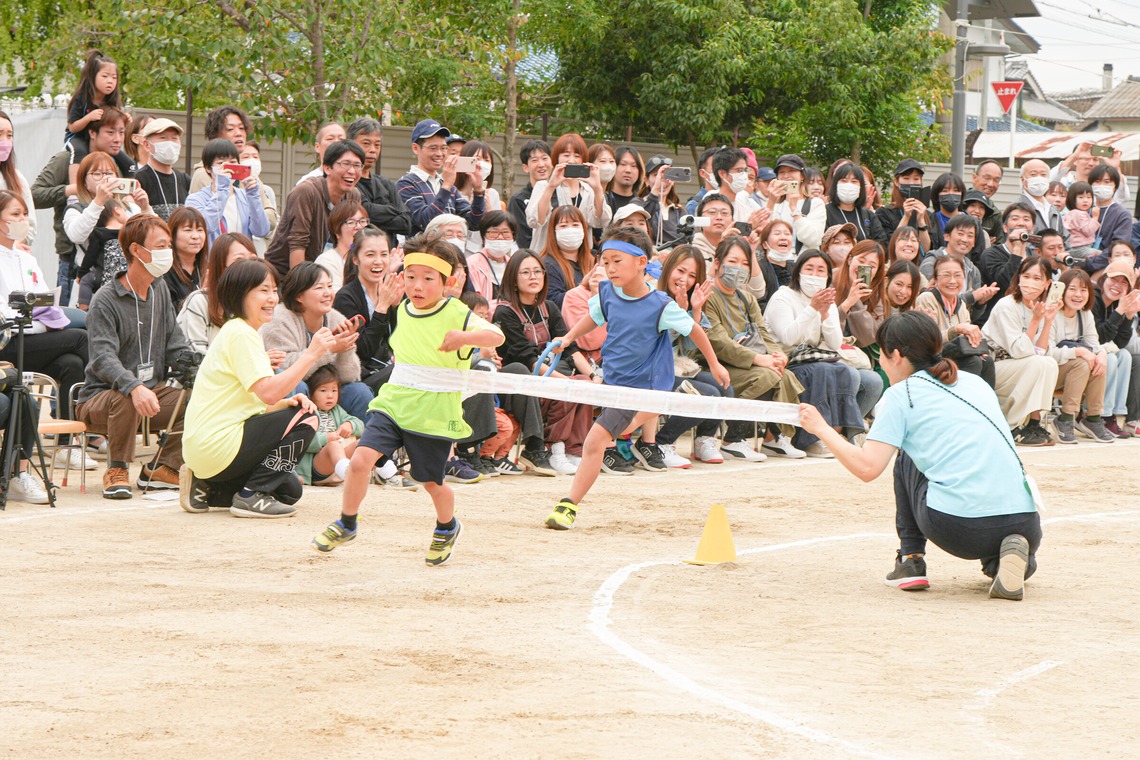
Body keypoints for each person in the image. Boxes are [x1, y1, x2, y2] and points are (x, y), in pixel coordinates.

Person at [800, 311, 1042, 600]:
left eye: (882, 355)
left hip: (961, 527)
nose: (880, 362)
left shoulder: (902, 394)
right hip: (1026, 521)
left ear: (897, 356)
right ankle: (1010, 561)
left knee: (906, 457)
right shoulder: (974, 382)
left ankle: (910, 560)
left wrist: (821, 428)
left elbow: (867, 468)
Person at [310, 237, 505, 564]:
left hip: (433, 412)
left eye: (428, 278)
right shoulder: (401, 309)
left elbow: (496, 336)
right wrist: (384, 306)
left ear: (449, 283)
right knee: (360, 461)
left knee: (429, 481)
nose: (417, 285)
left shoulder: (456, 312)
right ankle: (347, 522)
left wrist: (465, 338)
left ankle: (447, 525)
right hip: (395, 403)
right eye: (411, 276)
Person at [542, 227, 730, 530]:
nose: (609, 268)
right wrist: (568, 337)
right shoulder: (607, 293)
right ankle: (656, 410)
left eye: (617, 261)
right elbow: (596, 316)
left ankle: (568, 505)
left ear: (642, 262)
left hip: (643, 386)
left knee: (595, 442)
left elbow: (695, 330)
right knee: (615, 433)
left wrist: (715, 364)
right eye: (605, 262)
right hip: (613, 382)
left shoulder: (661, 305)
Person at [180, 259, 333, 518]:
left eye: (274, 290)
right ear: (241, 294)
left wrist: (287, 403)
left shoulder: (239, 332)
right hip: (219, 445)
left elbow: (255, 403)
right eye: (263, 290)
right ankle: (251, 496)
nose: (272, 298)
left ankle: (208, 487)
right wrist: (311, 354)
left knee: (289, 491)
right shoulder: (241, 333)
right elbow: (269, 392)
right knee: (307, 418)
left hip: (209, 450)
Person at [77, 213, 193, 499]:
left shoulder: (160, 289)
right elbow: (103, 358)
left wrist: (196, 368)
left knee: (196, 397)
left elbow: (175, 346)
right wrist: (134, 386)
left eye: (169, 245)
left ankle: (162, 467)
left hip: (151, 393)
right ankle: (116, 468)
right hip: (100, 399)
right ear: (137, 250)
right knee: (127, 393)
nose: (168, 252)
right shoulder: (105, 299)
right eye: (161, 245)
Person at [0, 190, 92, 473]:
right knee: (81, 338)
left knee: (71, 363)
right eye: (15, 215)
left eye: (25, 214)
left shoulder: (26, 258)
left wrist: (42, 319)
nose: (22, 220)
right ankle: (96, 409)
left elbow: (44, 301)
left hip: (35, 336)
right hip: (9, 343)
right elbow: (7, 316)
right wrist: (40, 320)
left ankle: (66, 445)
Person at [699, 237, 805, 461]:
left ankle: (773, 438)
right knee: (766, 376)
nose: (738, 268)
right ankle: (733, 439)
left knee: (784, 375)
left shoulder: (746, 298)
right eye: (732, 261)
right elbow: (718, 340)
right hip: (716, 363)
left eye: (745, 263)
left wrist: (778, 355)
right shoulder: (708, 295)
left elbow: (764, 333)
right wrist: (759, 360)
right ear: (717, 263)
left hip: (750, 361)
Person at [493, 249, 596, 475]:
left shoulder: (549, 307)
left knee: (584, 385)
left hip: (549, 377)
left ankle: (573, 450)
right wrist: (566, 382)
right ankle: (552, 448)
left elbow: (571, 348)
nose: (533, 277)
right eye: (526, 272)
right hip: (521, 387)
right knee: (567, 387)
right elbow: (528, 359)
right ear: (513, 278)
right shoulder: (505, 312)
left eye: (537, 272)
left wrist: (592, 376)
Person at [763, 250, 865, 457]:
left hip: (813, 359)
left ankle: (836, 434)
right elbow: (788, 338)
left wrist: (826, 314)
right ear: (798, 272)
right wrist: (812, 309)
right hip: (784, 360)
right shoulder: (783, 296)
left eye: (821, 270)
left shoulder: (827, 299)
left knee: (845, 371)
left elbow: (836, 342)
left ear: (828, 276)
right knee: (822, 371)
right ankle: (809, 439)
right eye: (809, 268)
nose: (814, 274)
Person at [33, 107, 131, 305]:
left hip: (116, 263)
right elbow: (34, 195)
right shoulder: (67, 158)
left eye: (121, 132)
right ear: (92, 133)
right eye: (110, 132)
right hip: (73, 255)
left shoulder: (119, 163)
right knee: (70, 315)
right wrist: (74, 189)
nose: (117, 139)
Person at [260, 262, 374, 420]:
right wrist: (329, 350)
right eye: (319, 288)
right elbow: (284, 370)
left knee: (360, 392)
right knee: (298, 387)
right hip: (291, 393)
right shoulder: (278, 321)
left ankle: (363, 444)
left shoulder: (336, 318)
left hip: (326, 393)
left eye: (329, 286)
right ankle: (304, 441)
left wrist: (345, 349)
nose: (328, 293)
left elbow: (350, 377)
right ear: (299, 295)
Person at [980, 256, 1060, 446]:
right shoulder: (1006, 305)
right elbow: (1019, 350)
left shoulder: (1042, 307)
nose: (1030, 282)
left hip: (1019, 366)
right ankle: (1012, 426)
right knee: (1038, 363)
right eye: (1026, 276)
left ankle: (1033, 423)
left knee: (1048, 363)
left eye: (1037, 278)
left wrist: (1047, 320)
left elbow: (1041, 352)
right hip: (993, 367)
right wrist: (1035, 321)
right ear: (1019, 278)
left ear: (1047, 283)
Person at [264, 140, 364, 277]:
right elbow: (297, 244)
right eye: (345, 164)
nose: (352, 171)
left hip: (328, 273)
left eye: (357, 165)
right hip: (285, 276)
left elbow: (354, 240)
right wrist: (302, 287)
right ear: (327, 168)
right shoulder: (306, 192)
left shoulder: (353, 195)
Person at [1047, 268, 1113, 444]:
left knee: (1098, 362)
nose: (1078, 294)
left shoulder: (1085, 314)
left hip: (1075, 372)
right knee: (1082, 362)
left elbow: (1095, 344)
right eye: (1073, 289)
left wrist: (1102, 355)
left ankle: (1093, 418)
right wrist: (1077, 351)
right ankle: (1066, 418)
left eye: (1083, 290)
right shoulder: (1052, 312)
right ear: (1062, 290)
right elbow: (1047, 352)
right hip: (1051, 371)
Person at [914, 256, 996, 387]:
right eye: (946, 275)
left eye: (958, 275)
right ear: (935, 279)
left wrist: (976, 347)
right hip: (932, 359)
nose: (952, 281)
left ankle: (984, 405)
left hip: (955, 355)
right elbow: (928, 343)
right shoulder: (927, 299)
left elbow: (967, 339)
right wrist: (956, 330)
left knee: (987, 361)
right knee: (973, 362)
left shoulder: (961, 304)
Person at [396, 119, 486, 235]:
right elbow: (425, 222)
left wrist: (478, 191)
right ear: (416, 148)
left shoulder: (447, 186)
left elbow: (475, 224)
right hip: (423, 252)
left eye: (443, 148)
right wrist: (446, 186)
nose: (439, 154)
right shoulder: (406, 184)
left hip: (451, 251)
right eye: (433, 148)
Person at [525, 132, 611, 251]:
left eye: (577, 155)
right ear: (557, 158)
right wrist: (551, 187)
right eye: (566, 155)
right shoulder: (543, 186)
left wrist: (597, 188)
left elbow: (601, 221)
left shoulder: (588, 190)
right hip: (547, 256)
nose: (571, 160)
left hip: (580, 260)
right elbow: (534, 221)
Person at [177, 232, 257, 355]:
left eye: (253, 260)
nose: (248, 266)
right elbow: (195, 359)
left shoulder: (254, 304)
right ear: (221, 266)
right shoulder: (199, 302)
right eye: (239, 260)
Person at [184, 138, 270, 247]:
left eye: (233, 162)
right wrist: (222, 189)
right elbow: (207, 227)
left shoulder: (244, 196)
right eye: (221, 163)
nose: (229, 168)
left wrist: (253, 196)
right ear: (208, 168)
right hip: (212, 261)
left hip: (241, 261)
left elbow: (261, 231)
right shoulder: (195, 199)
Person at [344, 117, 412, 247]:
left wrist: (374, 215)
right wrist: (393, 209)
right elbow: (364, 212)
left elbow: (406, 223)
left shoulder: (386, 183)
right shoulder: (348, 182)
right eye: (366, 143)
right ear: (350, 144)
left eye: (377, 145)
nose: (372, 150)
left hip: (388, 257)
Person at [292, 365, 365, 486]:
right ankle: (347, 472)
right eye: (323, 390)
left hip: (336, 465)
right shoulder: (308, 412)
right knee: (333, 446)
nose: (330, 395)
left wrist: (350, 424)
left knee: (365, 443)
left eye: (334, 390)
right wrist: (326, 438)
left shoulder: (336, 410)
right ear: (311, 393)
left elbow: (359, 424)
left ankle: (384, 472)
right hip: (316, 468)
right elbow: (301, 441)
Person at [64, 50, 130, 184]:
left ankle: (130, 193)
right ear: (93, 76)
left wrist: (125, 119)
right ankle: (75, 191)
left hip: (101, 141)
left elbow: (115, 122)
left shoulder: (113, 101)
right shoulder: (81, 99)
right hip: (78, 138)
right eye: (105, 76)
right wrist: (88, 118)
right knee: (79, 152)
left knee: (129, 163)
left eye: (114, 77)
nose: (110, 81)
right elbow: (72, 127)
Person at [921, 214, 999, 324]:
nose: (965, 239)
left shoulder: (973, 270)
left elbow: (973, 317)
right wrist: (972, 296)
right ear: (947, 236)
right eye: (960, 234)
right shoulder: (931, 262)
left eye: (970, 236)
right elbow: (929, 297)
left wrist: (980, 303)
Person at [1093, 259, 1140, 438]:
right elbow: (1099, 337)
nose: (1117, 285)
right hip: (1085, 350)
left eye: (1124, 282)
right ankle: (1099, 414)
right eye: (1114, 279)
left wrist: (1128, 315)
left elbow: (1119, 343)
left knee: (1125, 356)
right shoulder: (1094, 298)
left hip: (1101, 351)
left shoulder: (1116, 304)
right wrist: (1119, 312)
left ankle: (1113, 415)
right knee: (1112, 358)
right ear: (1104, 278)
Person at [978, 202, 1037, 324]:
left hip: (1025, 321)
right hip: (995, 322)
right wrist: (1017, 249)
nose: (1021, 223)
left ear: (1033, 228)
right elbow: (1005, 284)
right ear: (1005, 227)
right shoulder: (991, 254)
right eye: (1015, 219)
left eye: (1026, 219)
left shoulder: (1034, 259)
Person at [134, 118, 190, 222]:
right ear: (147, 145)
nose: (170, 143)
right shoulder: (139, 178)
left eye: (174, 138)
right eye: (163, 138)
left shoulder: (184, 179)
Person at [540, 205, 594, 307]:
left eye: (575, 225)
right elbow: (553, 302)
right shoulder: (547, 264)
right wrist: (583, 287)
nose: (570, 230)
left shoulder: (595, 260)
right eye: (563, 226)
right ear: (553, 231)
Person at [455, 140, 502, 254]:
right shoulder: (453, 194)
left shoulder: (492, 194)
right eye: (477, 158)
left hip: (484, 252)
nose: (482, 164)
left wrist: (489, 209)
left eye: (487, 160)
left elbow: (498, 228)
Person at [826, 163, 887, 246]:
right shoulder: (825, 212)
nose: (849, 185)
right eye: (844, 180)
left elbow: (882, 245)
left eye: (854, 181)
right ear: (835, 185)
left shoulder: (868, 215)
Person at [314, 199, 368, 292]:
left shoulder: (372, 258)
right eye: (351, 222)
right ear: (337, 231)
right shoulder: (327, 261)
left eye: (362, 221)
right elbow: (337, 301)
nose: (358, 226)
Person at [161, 206, 208, 309]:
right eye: (188, 230)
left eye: (200, 230)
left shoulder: (209, 269)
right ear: (172, 235)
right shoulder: (164, 272)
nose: (195, 236)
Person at [0, 111, 36, 244]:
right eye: (0, 134)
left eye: (9, 135)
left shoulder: (17, 179)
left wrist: (17, 245)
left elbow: (30, 225)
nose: (5, 141)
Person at [508, 140, 552, 250]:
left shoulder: (562, 194)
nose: (541, 164)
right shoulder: (518, 200)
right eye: (535, 160)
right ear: (525, 167)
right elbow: (523, 239)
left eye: (545, 158)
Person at [467, 210, 515, 304]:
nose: (500, 237)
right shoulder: (472, 264)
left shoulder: (514, 265)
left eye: (505, 232)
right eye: (494, 232)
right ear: (483, 235)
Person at [640, 154, 683, 247]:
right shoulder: (638, 204)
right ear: (646, 180)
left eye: (667, 174)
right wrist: (656, 189)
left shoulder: (679, 210)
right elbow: (641, 219)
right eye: (656, 175)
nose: (662, 179)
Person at [1018, 159, 1066, 241]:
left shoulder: (1053, 210)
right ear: (1023, 180)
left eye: (1043, 174)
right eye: (1033, 174)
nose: (1039, 178)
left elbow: (1065, 238)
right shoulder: (1018, 207)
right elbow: (1020, 241)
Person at [927, 172, 966, 251]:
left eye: (955, 190)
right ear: (937, 195)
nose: (951, 194)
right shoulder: (929, 221)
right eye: (945, 190)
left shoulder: (972, 223)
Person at [692, 193, 734, 265]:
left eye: (725, 213)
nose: (719, 217)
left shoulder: (737, 249)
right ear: (699, 218)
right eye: (712, 212)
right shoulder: (691, 251)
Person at [971, 160, 1005, 246]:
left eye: (996, 180)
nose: (991, 184)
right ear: (974, 178)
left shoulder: (996, 214)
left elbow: (998, 247)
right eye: (987, 178)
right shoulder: (959, 204)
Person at [1063, 181, 1100, 261]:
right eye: (1081, 197)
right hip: (1080, 248)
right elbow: (1088, 230)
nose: (1085, 200)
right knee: (1102, 256)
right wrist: (1095, 217)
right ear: (1072, 199)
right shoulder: (1079, 214)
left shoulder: (1071, 213)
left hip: (1074, 248)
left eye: (1088, 197)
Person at [604, 146, 645, 214]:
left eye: (633, 166)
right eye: (623, 164)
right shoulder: (603, 200)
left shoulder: (642, 205)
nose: (628, 170)